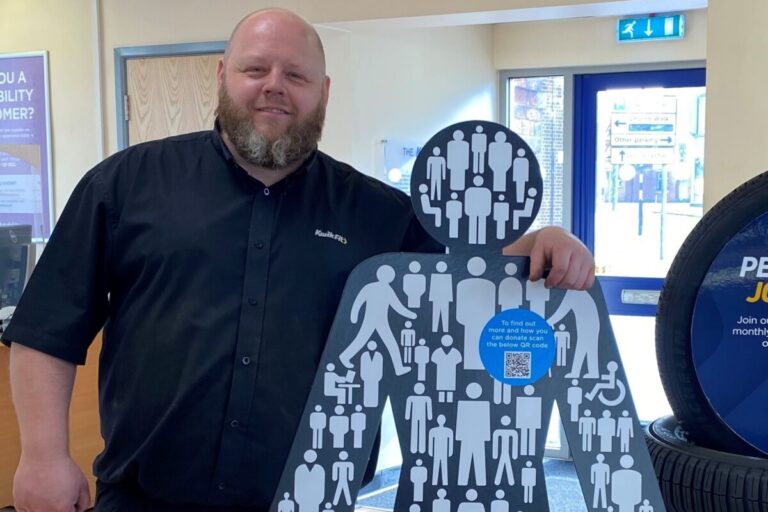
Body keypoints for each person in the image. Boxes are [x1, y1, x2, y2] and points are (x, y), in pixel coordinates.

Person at [4, 8, 595, 512]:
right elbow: (47, 330)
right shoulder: (126, 185)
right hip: (146, 498)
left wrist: (538, 243)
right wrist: (42, 455)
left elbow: (464, 278)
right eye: (255, 69)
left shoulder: (379, 213)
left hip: (318, 498)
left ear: (324, 91)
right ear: (222, 76)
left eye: (296, 74)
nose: (274, 85)